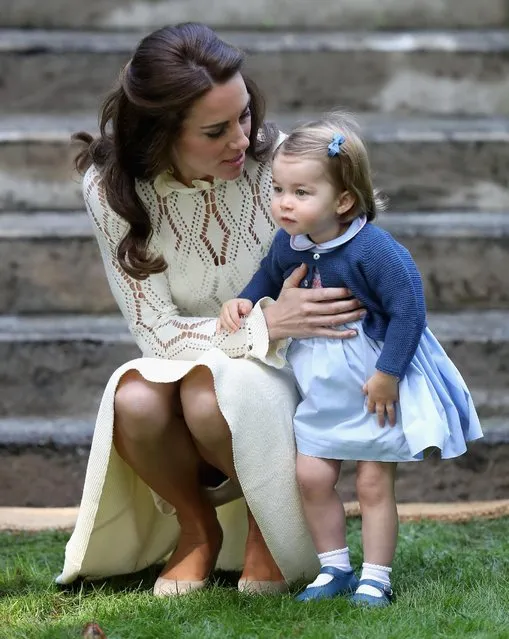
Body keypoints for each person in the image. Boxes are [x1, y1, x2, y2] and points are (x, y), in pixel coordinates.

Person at [56, 24, 368, 596]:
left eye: (245, 116)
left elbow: (343, 286)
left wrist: (274, 332)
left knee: (209, 394)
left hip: (296, 365)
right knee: (135, 398)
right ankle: (196, 528)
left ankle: (266, 526)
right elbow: (155, 330)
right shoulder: (112, 188)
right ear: (159, 133)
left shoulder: (280, 163)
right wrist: (261, 325)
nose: (242, 141)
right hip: (211, 351)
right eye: (216, 130)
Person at [218, 112, 483, 607]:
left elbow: (409, 311)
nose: (283, 202)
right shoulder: (289, 243)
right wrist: (245, 300)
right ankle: (334, 567)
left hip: (370, 381)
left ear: (343, 200)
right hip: (320, 383)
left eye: (300, 192)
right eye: (278, 188)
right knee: (313, 474)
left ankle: (376, 576)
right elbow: (267, 279)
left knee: (372, 479)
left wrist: (388, 376)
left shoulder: (374, 251)